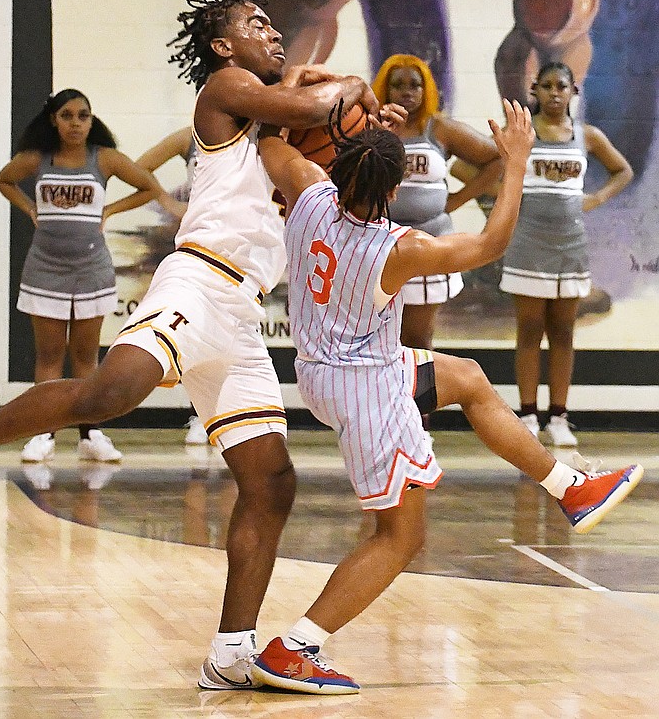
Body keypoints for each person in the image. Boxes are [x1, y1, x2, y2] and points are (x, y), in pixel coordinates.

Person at [0, 0, 385, 690]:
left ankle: (232, 654)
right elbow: (310, 103)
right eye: (255, 22)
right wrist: (355, 84)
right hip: (197, 281)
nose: (272, 31)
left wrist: (367, 131)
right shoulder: (225, 89)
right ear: (220, 45)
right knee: (108, 393)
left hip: (239, 316)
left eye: (273, 24)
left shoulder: (276, 131)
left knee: (270, 483)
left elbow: (321, 125)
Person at [247, 98, 642, 694]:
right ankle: (294, 646)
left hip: (326, 369)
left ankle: (572, 489)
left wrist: (325, 109)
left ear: (337, 165)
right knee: (400, 538)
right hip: (367, 389)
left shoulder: (306, 193)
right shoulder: (398, 249)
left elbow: (271, 141)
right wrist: (516, 161)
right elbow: (490, 243)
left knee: (467, 378)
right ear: (397, 186)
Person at [0, 88, 169, 463]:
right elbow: (4, 180)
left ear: (92, 120)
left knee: (86, 356)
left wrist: (109, 210)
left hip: (91, 269)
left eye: (83, 116)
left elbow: (149, 187)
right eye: (67, 116)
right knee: (49, 355)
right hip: (44, 268)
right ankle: (44, 433)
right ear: (53, 120)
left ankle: (91, 434)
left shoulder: (104, 159)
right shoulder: (36, 158)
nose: (76, 123)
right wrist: (29, 207)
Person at [498, 62, 633, 445]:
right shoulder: (521, 134)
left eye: (562, 86)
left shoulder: (585, 135)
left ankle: (558, 417)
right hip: (528, 243)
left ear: (574, 92)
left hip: (570, 246)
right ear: (534, 91)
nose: (555, 93)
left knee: (563, 332)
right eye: (547, 86)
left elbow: (622, 170)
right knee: (528, 330)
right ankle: (527, 414)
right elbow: (484, 166)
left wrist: (597, 199)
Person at [370, 54, 502, 355]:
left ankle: (418, 403)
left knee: (418, 340)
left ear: (426, 89)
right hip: (381, 244)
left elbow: (495, 158)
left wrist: (456, 200)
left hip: (430, 243)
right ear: (385, 89)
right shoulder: (374, 127)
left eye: (415, 85)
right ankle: (385, 401)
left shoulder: (439, 128)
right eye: (398, 85)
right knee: (381, 341)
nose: (406, 92)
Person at [134, 125, 208, 445]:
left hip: (239, 247)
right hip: (194, 244)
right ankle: (199, 413)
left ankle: (226, 413)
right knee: (194, 331)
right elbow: (139, 168)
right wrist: (169, 203)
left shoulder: (259, 137)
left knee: (232, 334)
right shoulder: (190, 136)